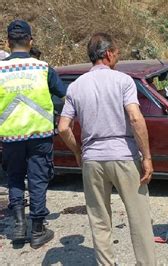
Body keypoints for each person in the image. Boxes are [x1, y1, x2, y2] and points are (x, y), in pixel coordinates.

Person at [58, 32, 156, 265]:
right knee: (139, 218)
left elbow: (63, 128)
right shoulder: (123, 81)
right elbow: (135, 118)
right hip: (123, 155)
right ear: (109, 54)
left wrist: (78, 151)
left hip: (92, 159)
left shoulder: (75, 87)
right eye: (117, 53)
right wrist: (147, 157)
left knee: (99, 220)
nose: (118, 58)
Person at [0, 20, 66, 248]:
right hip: (40, 136)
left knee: (15, 178)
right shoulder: (43, 68)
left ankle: (19, 225)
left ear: (8, 43)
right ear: (31, 41)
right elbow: (64, 94)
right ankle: (38, 230)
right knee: (38, 180)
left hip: (10, 138)